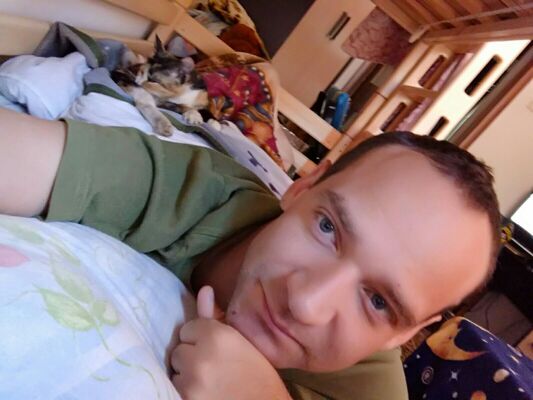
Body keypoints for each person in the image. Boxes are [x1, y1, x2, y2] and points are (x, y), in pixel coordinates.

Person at [0, 108, 500, 399]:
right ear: (302, 187)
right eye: (328, 228)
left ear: (408, 333)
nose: (305, 303)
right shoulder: (202, 191)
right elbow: (27, 156)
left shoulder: (372, 392)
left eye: (378, 302)